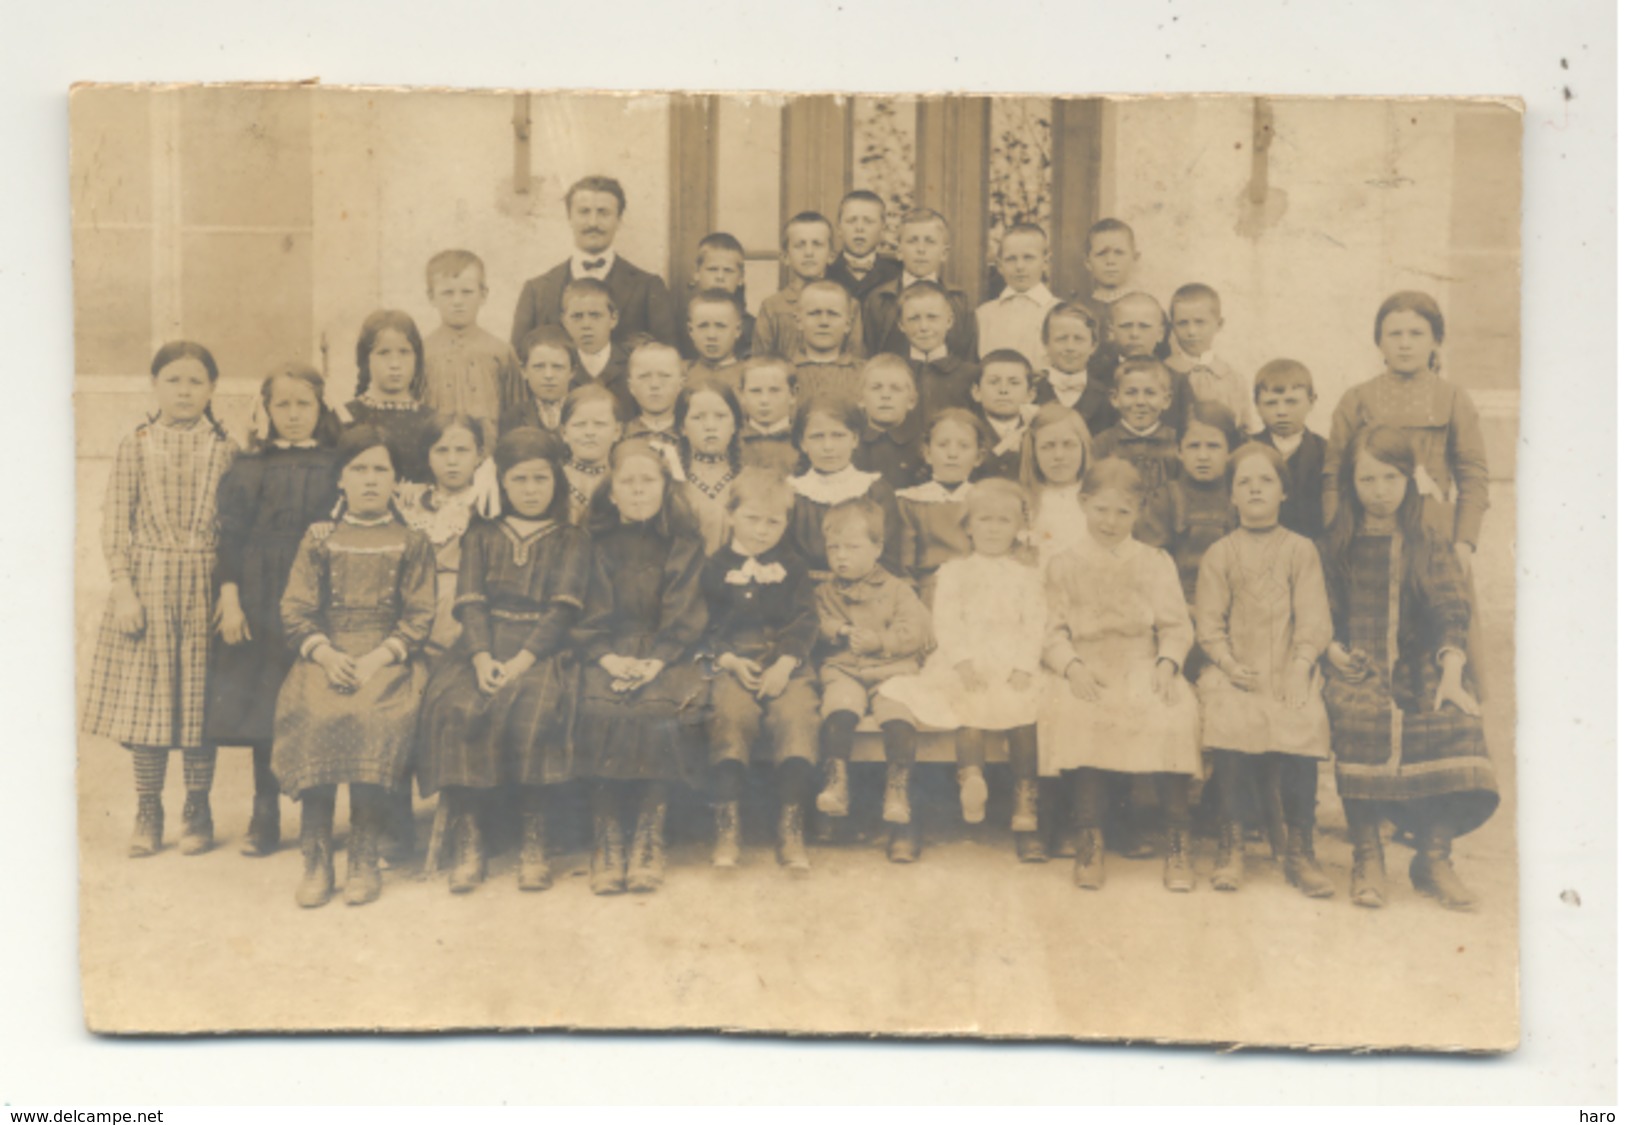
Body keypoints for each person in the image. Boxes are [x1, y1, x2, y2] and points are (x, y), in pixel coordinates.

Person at [1318, 425, 1498, 912]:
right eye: (1368, 480)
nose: (1379, 492)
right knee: (1358, 716)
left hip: (1422, 664)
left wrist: (1451, 673)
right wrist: (1333, 652)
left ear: (1408, 480)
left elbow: (1450, 609)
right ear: (1352, 484)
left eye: (1391, 478)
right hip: (1356, 662)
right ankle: (1367, 855)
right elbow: (1322, 614)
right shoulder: (1336, 546)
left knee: (1455, 718)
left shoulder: (1427, 540)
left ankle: (1433, 858)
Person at [415, 428, 589, 894]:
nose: (531, 490)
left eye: (541, 479)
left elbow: (563, 609)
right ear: (502, 484)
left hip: (542, 649)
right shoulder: (482, 535)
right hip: (483, 644)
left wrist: (522, 661)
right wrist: (481, 657)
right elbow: (469, 602)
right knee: (457, 707)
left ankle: (535, 833)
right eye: (520, 480)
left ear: (556, 483)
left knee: (537, 706)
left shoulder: (571, 538)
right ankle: (470, 833)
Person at [83, 341, 238, 858]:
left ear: (212, 388)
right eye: (173, 380)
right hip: (148, 583)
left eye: (196, 381)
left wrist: (229, 593)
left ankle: (199, 806)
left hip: (204, 582)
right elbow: (115, 521)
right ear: (155, 386)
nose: (185, 391)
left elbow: (234, 525)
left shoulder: (225, 447)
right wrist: (123, 587)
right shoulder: (136, 442)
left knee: (198, 703)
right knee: (147, 706)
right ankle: (149, 808)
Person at [272, 426, 436, 908]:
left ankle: (363, 853)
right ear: (340, 479)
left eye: (380, 470)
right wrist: (325, 654)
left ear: (396, 480)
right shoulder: (321, 538)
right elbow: (295, 608)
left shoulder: (412, 540)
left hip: (386, 657)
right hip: (329, 653)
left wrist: (376, 658)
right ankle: (316, 854)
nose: (369, 480)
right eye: (358, 469)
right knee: (316, 712)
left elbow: (420, 614)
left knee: (371, 717)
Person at [1038, 458, 1202, 892]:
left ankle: (1177, 836)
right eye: (1101, 510)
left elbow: (1174, 625)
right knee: (1082, 713)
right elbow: (1051, 631)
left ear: (1139, 511)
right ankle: (1089, 835)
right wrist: (1071, 665)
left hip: (1141, 661)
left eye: (1123, 512)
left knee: (1173, 709)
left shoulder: (1153, 561)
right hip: (1087, 664)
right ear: (1083, 503)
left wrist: (1167, 663)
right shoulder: (1063, 564)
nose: (1111, 522)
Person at [205, 363, 341, 858]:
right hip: (260, 591)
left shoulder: (335, 464)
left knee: (315, 697)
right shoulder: (248, 466)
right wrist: (230, 596)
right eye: (282, 404)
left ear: (321, 407)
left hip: (318, 590)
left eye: (304, 403)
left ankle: (315, 813)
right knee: (267, 700)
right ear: (266, 409)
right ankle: (265, 811)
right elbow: (231, 538)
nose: (293, 414)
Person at [1194, 442, 1335, 897]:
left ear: (1284, 492)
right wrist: (1230, 664)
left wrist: (1300, 667)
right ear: (1231, 496)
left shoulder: (1301, 550)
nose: (1255, 489)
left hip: (1289, 667)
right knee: (1232, 715)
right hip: (1239, 669)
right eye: (1244, 483)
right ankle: (1232, 844)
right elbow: (1209, 622)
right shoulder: (1220, 553)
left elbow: (1313, 618)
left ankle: (1300, 849)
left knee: (1302, 716)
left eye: (1266, 481)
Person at [881, 479, 1047, 859]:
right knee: (965, 705)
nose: (992, 528)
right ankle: (971, 777)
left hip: (1010, 660)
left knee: (1025, 708)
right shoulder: (954, 572)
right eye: (984, 519)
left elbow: (1034, 623)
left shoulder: (1026, 575)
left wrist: (1023, 665)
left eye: (1003, 521)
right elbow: (947, 622)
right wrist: (962, 661)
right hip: (966, 659)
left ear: (1018, 527)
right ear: (968, 526)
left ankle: (1025, 795)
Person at [571, 439, 709, 895]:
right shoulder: (594, 542)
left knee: (658, 709)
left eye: (647, 480)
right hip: (606, 648)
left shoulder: (683, 541)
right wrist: (608, 657)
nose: (636, 490)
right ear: (610, 492)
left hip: (668, 651)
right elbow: (586, 611)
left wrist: (656, 661)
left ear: (664, 486)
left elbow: (685, 611)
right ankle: (606, 837)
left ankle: (650, 833)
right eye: (626, 482)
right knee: (597, 708)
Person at [699, 470, 822, 872]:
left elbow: (805, 620)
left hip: (786, 665)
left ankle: (791, 825)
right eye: (753, 518)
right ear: (731, 515)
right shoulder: (715, 567)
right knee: (731, 716)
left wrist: (786, 663)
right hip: (732, 663)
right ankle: (727, 825)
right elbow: (704, 623)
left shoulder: (793, 566)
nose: (762, 530)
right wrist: (729, 660)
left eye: (774, 521)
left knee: (796, 715)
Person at [1323, 291, 1490, 574]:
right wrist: (1336, 541)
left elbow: (1473, 476)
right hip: (1368, 537)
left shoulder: (1452, 398)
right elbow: (1333, 476)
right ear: (1379, 341)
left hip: (1435, 538)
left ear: (1436, 340)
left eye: (1416, 334)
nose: (1404, 344)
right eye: (1394, 334)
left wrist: (1464, 543)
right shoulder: (1356, 399)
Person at [812, 498, 933, 863]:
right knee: (840, 709)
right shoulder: (824, 591)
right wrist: (841, 630)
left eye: (852, 547)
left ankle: (898, 790)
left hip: (891, 669)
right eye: (833, 548)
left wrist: (882, 641)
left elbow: (917, 632)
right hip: (845, 668)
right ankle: (837, 783)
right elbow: (816, 623)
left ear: (878, 548)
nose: (841, 557)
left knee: (897, 714)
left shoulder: (897, 589)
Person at [510, 174, 676, 349]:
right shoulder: (536, 291)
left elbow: (667, 359)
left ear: (618, 220)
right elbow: (519, 362)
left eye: (603, 213)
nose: (593, 223)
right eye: (584, 212)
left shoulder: (648, 287)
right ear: (570, 218)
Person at [395, 414, 488, 659]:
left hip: (460, 609)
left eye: (462, 450)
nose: (452, 461)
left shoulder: (486, 504)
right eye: (441, 451)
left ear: (479, 455)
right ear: (428, 455)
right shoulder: (410, 503)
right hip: (411, 605)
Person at [1135, 400, 1242, 604]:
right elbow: (1149, 566)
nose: (1203, 456)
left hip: (1233, 603)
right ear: (1179, 452)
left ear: (1230, 451)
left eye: (1213, 446)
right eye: (1193, 446)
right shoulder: (1166, 498)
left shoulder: (1238, 496)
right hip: (1178, 605)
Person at [786, 397, 900, 578]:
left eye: (838, 435)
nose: (828, 447)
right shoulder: (792, 494)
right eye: (817, 437)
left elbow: (890, 560)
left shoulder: (875, 491)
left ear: (854, 439)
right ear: (802, 443)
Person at [421, 249, 525, 423]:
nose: (457, 301)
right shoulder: (422, 353)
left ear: (483, 295)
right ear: (431, 297)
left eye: (467, 292)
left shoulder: (501, 352)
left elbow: (517, 411)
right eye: (447, 293)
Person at [862, 208, 978, 360]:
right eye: (912, 241)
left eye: (930, 241)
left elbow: (968, 359)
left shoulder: (959, 300)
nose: (921, 250)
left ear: (944, 253)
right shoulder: (880, 299)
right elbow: (870, 355)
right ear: (899, 251)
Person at [338, 310, 436, 484]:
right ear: (365, 359)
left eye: (404, 352)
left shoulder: (432, 420)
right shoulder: (344, 418)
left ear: (417, 358)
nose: (395, 364)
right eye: (383, 353)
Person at [894, 408, 980, 600]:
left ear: (978, 457)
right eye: (943, 445)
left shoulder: (983, 500)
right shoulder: (911, 501)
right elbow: (905, 566)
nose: (952, 454)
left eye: (964, 446)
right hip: (929, 594)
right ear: (927, 453)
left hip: (977, 591)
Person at [753, 212, 864, 361]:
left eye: (817, 244)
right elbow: (760, 363)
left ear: (831, 255)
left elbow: (855, 362)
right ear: (785, 257)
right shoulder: (772, 307)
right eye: (800, 245)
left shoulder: (849, 305)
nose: (809, 253)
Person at [1251, 358, 1327, 542]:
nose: (1282, 411)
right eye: (1271, 403)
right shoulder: (1246, 450)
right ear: (1257, 406)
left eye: (1291, 402)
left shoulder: (1326, 452)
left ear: (1311, 401)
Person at [1164, 282, 1255, 432]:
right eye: (1182, 323)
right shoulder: (1164, 373)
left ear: (1219, 324)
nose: (1191, 331)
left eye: (1200, 322)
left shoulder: (1233, 379)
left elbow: (1245, 427)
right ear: (1172, 327)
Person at [1018, 404, 1094, 573]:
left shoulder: (1098, 498)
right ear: (1034, 453)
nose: (1059, 455)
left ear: (1083, 447)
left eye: (1068, 444)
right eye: (1048, 446)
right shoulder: (1025, 503)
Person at [1091, 357, 1182, 496]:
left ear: (1166, 400)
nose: (1140, 402)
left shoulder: (1177, 443)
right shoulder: (1101, 444)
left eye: (1150, 393)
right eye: (1131, 393)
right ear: (1115, 398)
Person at [977, 223, 1060, 370]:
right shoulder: (983, 315)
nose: (1020, 266)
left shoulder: (1059, 312)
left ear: (1046, 262)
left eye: (1028, 258)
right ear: (1000, 266)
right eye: (1011, 259)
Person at [677, 378, 744, 556]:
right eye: (698, 418)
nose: (710, 426)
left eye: (720, 416)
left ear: (735, 425)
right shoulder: (674, 483)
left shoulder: (747, 481)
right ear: (682, 427)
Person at [897, 282, 981, 425]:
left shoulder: (970, 374)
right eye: (914, 318)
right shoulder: (893, 372)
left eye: (932, 317)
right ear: (901, 325)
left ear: (949, 321)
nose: (923, 327)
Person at [558, 278, 635, 419]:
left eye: (595, 315)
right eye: (577, 316)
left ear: (613, 319)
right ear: (564, 322)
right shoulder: (558, 367)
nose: (586, 324)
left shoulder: (632, 362)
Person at [1032, 302, 1112, 435]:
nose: (1070, 347)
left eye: (1079, 339)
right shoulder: (1032, 394)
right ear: (1046, 343)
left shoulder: (1106, 398)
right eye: (1061, 339)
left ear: (1093, 346)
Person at [852, 354, 929, 491]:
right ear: (861, 399)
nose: (885, 395)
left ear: (911, 401)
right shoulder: (852, 445)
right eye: (876, 388)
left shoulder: (922, 446)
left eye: (895, 389)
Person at [679, 232, 756, 364]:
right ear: (697, 273)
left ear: (741, 278)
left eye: (728, 270)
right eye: (712, 269)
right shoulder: (681, 321)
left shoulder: (752, 326)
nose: (720, 277)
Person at [790, 279, 867, 406]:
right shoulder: (782, 373)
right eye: (814, 313)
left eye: (833, 314)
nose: (824, 322)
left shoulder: (865, 374)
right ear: (798, 321)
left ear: (848, 324)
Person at [969, 348, 1039, 481]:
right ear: (976, 392)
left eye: (1014, 383)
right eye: (993, 382)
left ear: (1030, 395)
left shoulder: (1037, 433)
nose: (1003, 390)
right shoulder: (968, 433)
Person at [557, 384, 623, 524]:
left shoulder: (623, 482)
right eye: (580, 424)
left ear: (617, 431)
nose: (589, 432)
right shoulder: (556, 482)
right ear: (564, 433)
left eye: (600, 424)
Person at [501, 326, 580, 436]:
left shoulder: (586, 412)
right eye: (539, 366)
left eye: (557, 367)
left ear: (572, 371)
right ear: (524, 370)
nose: (548, 375)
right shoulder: (511, 418)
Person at [827, 189, 902, 302]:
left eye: (868, 221)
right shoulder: (826, 273)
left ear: (882, 228)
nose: (859, 228)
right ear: (839, 227)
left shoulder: (896, 275)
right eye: (851, 220)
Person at [621, 339, 686, 460]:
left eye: (664, 376)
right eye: (644, 376)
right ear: (631, 386)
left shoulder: (691, 435)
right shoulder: (620, 437)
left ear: (680, 384)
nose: (654, 384)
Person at [737, 357, 801, 477]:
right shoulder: (733, 442)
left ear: (793, 394)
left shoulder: (802, 442)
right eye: (755, 391)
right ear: (742, 395)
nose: (764, 400)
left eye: (774, 391)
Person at [683, 288, 747, 393]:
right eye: (703, 326)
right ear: (690, 330)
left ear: (738, 330)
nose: (711, 335)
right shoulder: (683, 375)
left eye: (720, 326)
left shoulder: (749, 376)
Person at [1080, 218, 1141, 325]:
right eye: (1101, 253)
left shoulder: (1146, 308)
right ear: (1088, 263)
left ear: (1134, 258)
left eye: (1119, 253)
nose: (1110, 261)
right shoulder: (1079, 311)